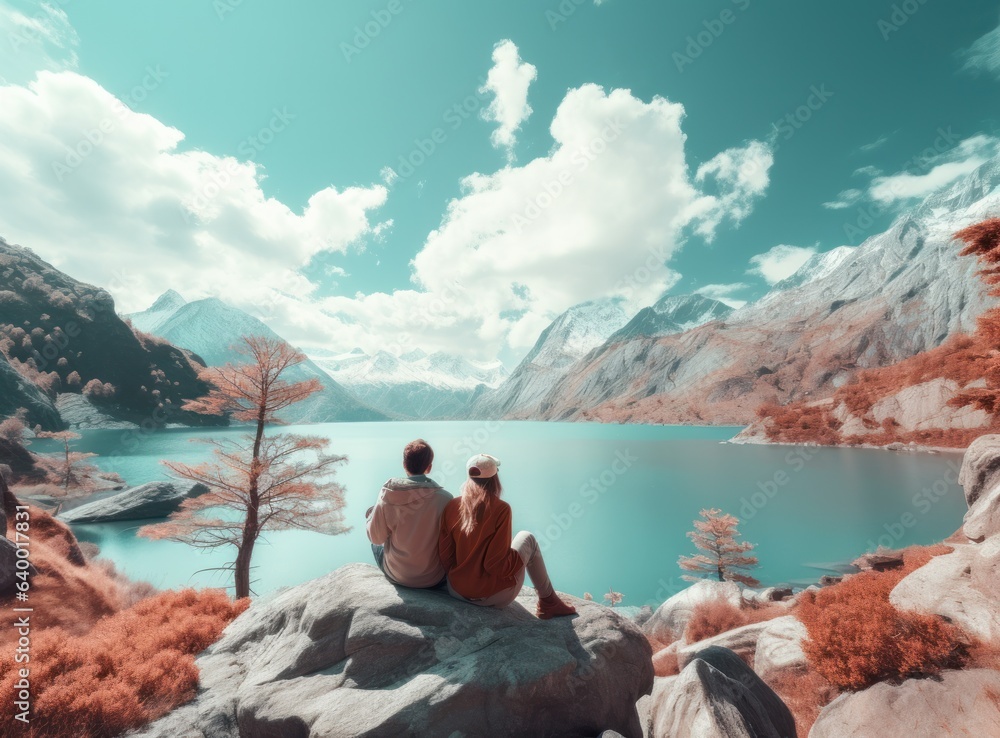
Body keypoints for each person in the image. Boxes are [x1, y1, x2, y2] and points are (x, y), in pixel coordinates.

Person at [438, 453, 577, 619]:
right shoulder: (501, 509)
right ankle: (549, 603)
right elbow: (495, 565)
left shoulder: (452, 505)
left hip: (456, 591)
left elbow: (445, 555)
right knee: (528, 539)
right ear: (495, 478)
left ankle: (549, 602)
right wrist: (517, 557)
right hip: (490, 597)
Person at [366, 438, 453, 589]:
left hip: (397, 575)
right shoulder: (445, 499)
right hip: (432, 577)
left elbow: (376, 538)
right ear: (429, 467)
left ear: (404, 464)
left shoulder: (388, 495)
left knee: (375, 541)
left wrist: (371, 517)